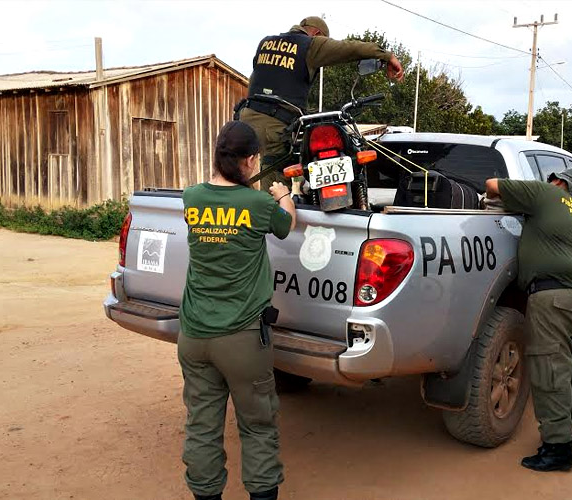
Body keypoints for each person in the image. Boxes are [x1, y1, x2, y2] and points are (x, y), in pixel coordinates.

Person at [178, 121, 296, 500]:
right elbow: (285, 226)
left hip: (194, 336)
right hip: (243, 338)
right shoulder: (259, 204)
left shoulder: (192, 197)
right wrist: (283, 195)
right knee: (258, 425)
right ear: (249, 161)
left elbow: (215, 207)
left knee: (202, 425)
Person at [485, 169, 572, 472]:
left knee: (549, 370)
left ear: (560, 183)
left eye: (552, 178)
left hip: (554, 298)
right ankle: (571, 435)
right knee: (570, 365)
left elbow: (491, 185)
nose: (547, 181)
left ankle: (558, 448)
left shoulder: (547, 194)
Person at [237, 15, 405, 189]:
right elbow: (349, 48)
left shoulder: (266, 42)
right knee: (275, 183)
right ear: (317, 33)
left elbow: (260, 75)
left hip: (246, 117)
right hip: (274, 123)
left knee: (242, 176)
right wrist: (387, 55)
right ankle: (272, 214)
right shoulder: (310, 44)